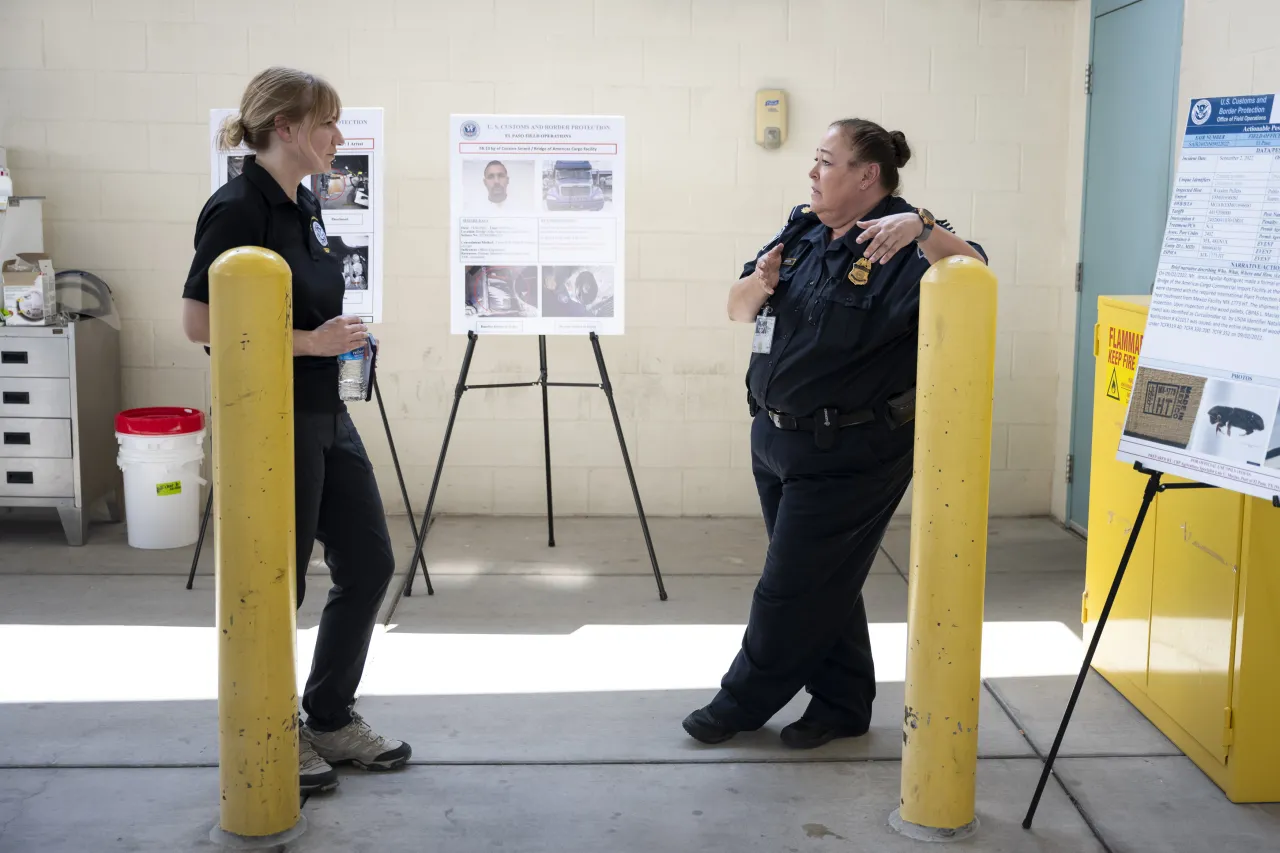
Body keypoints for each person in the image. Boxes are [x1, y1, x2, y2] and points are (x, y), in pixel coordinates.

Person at [682, 118, 987, 749]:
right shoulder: (802, 230)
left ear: (867, 175)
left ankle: (741, 701)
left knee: (790, 587)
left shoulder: (904, 240)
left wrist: (927, 230)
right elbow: (738, 308)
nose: (813, 173)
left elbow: (977, 272)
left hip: (849, 449)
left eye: (826, 161)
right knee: (826, 580)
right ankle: (844, 703)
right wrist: (758, 284)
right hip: (775, 438)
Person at [180, 67, 411, 793]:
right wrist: (311, 343)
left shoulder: (304, 201)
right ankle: (273, 724)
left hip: (325, 411)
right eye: (326, 124)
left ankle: (332, 717)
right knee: (276, 581)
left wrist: (336, 342)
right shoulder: (238, 208)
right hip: (270, 417)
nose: (338, 137)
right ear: (286, 129)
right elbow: (199, 322)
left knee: (369, 562)